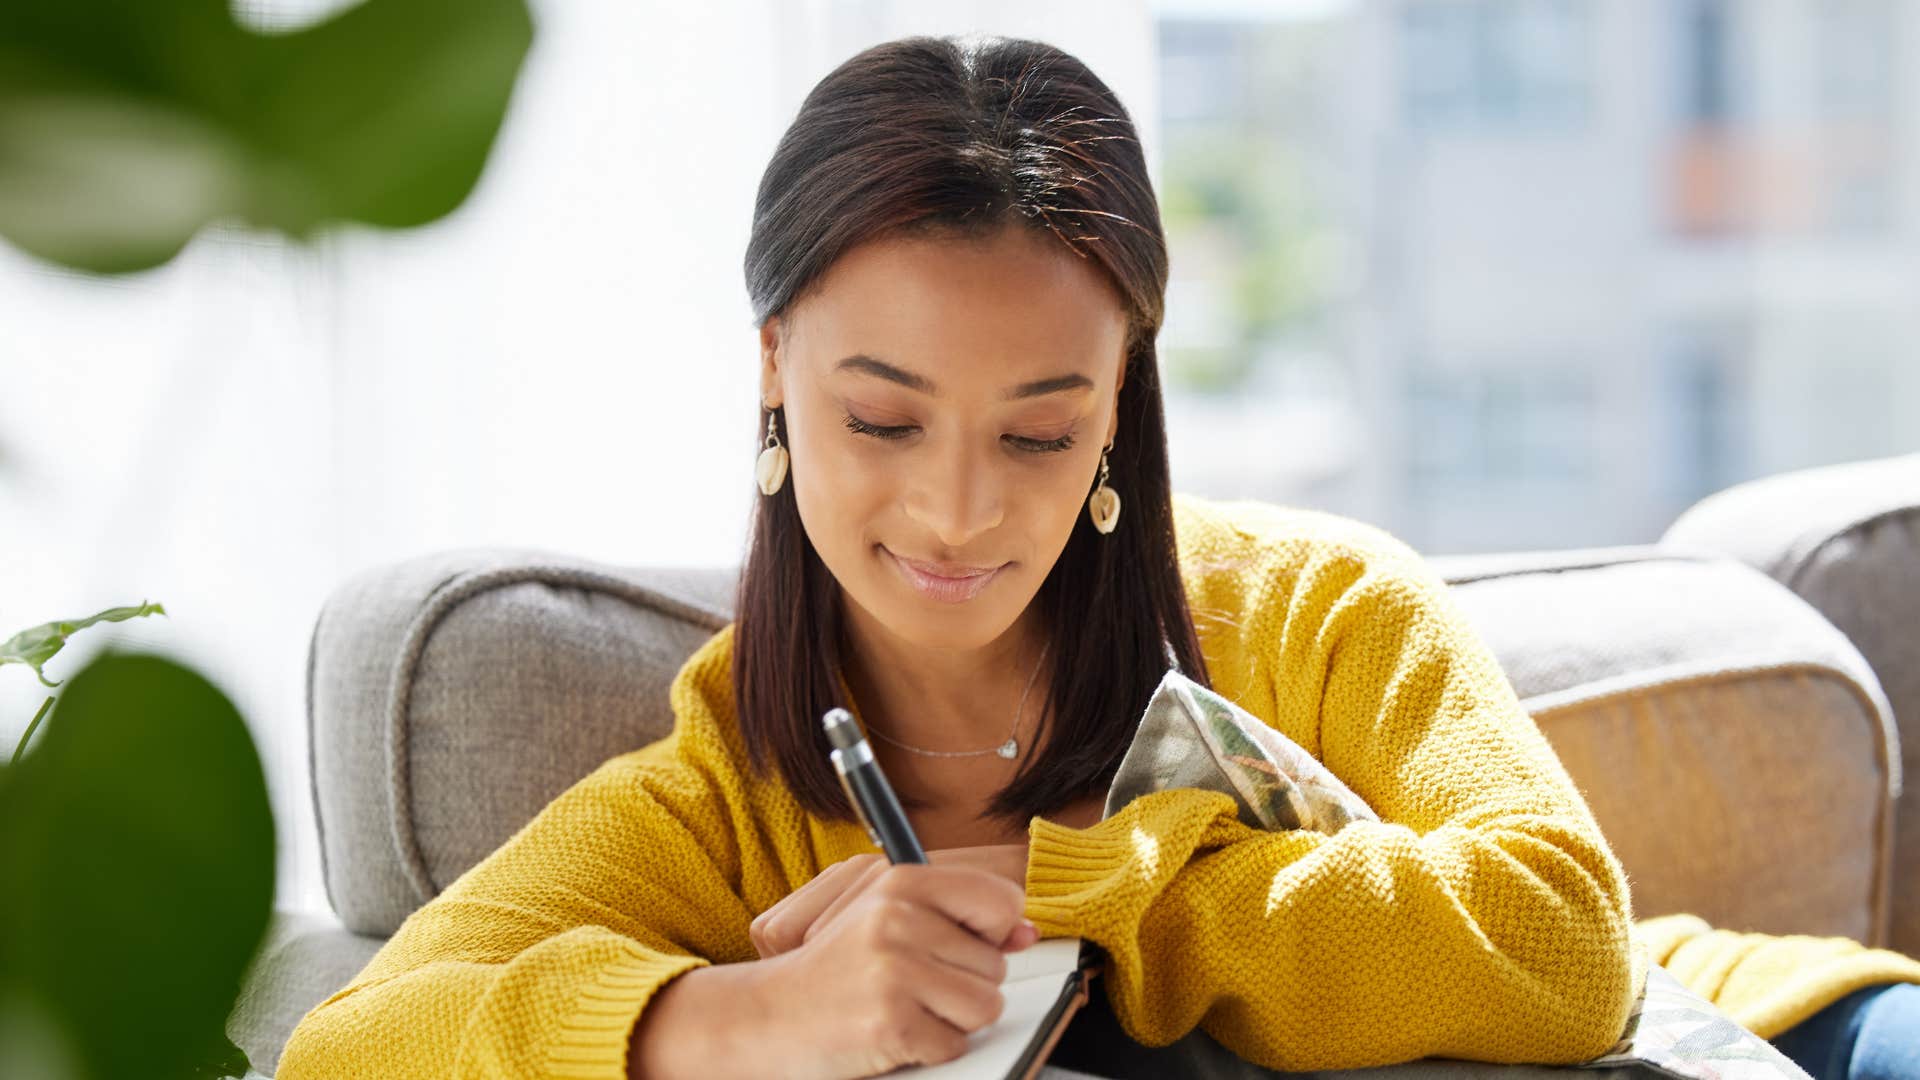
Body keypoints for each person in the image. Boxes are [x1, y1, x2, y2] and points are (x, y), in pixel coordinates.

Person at [276, 33, 1920, 1080]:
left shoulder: (1319, 611)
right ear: (774, 365)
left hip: (1767, 1036)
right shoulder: (722, 801)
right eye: (886, 421)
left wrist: (1053, 898)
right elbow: (351, 1050)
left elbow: (1562, 945)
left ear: (1122, 396)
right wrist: (743, 1019)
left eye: (1042, 433)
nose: (960, 513)